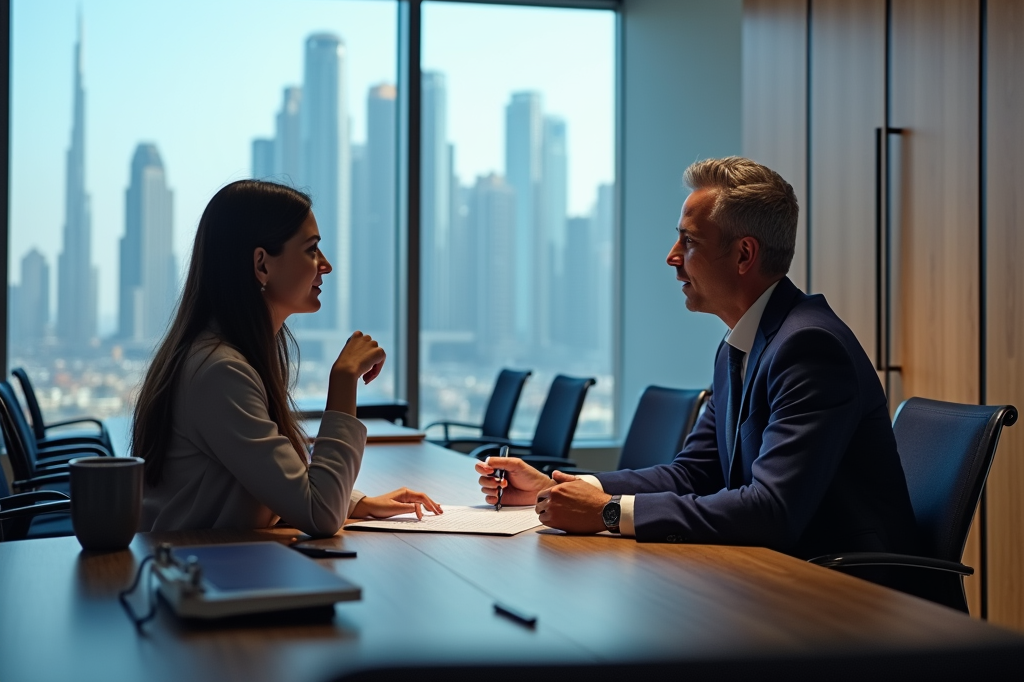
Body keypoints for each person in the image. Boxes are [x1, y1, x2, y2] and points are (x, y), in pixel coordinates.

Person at [477, 157, 920, 560]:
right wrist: (566, 489)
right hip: (778, 576)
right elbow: (695, 473)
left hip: (855, 598)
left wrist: (609, 512)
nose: (672, 258)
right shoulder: (742, 341)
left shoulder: (810, 348)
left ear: (744, 254)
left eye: (688, 242)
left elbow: (773, 510)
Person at [133, 180, 441, 536]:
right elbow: (320, 516)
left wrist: (354, 502)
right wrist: (343, 379)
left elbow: (266, 476)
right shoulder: (220, 372)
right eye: (311, 250)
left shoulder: (224, 356)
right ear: (262, 265)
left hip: (213, 567)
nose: (325, 266)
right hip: (204, 577)